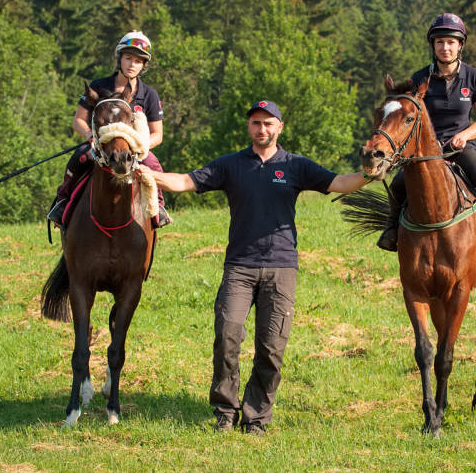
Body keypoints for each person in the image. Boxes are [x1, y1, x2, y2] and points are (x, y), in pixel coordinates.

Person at [139, 100, 368, 435]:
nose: (262, 129)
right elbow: (186, 181)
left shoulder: (296, 166)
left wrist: (371, 174)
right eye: (256, 123)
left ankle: (257, 417)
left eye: (268, 123)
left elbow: (340, 183)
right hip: (240, 268)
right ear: (249, 127)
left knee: (272, 347)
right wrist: (152, 175)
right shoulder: (231, 165)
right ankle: (225, 410)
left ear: (280, 127)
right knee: (227, 335)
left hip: (281, 267)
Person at [376, 13, 476, 253]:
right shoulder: (419, 78)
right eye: (440, 42)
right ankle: (391, 229)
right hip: (425, 151)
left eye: (451, 42)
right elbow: (405, 111)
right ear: (433, 45)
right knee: (399, 183)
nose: (445, 48)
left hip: (460, 148)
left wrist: (465, 135)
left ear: (460, 45)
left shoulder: (474, 77)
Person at [47, 30, 172, 228]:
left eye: (138, 61)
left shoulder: (149, 94)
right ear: (119, 59)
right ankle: (62, 203)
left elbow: (158, 134)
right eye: (128, 58)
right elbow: (78, 120)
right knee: (78, 158)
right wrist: (90, 136)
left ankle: (158, 206)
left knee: (153, 164)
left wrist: (141, 147)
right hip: (101, 146)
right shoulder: (98, 86)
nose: (132, 65)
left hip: (134, 151)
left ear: (144, 65)